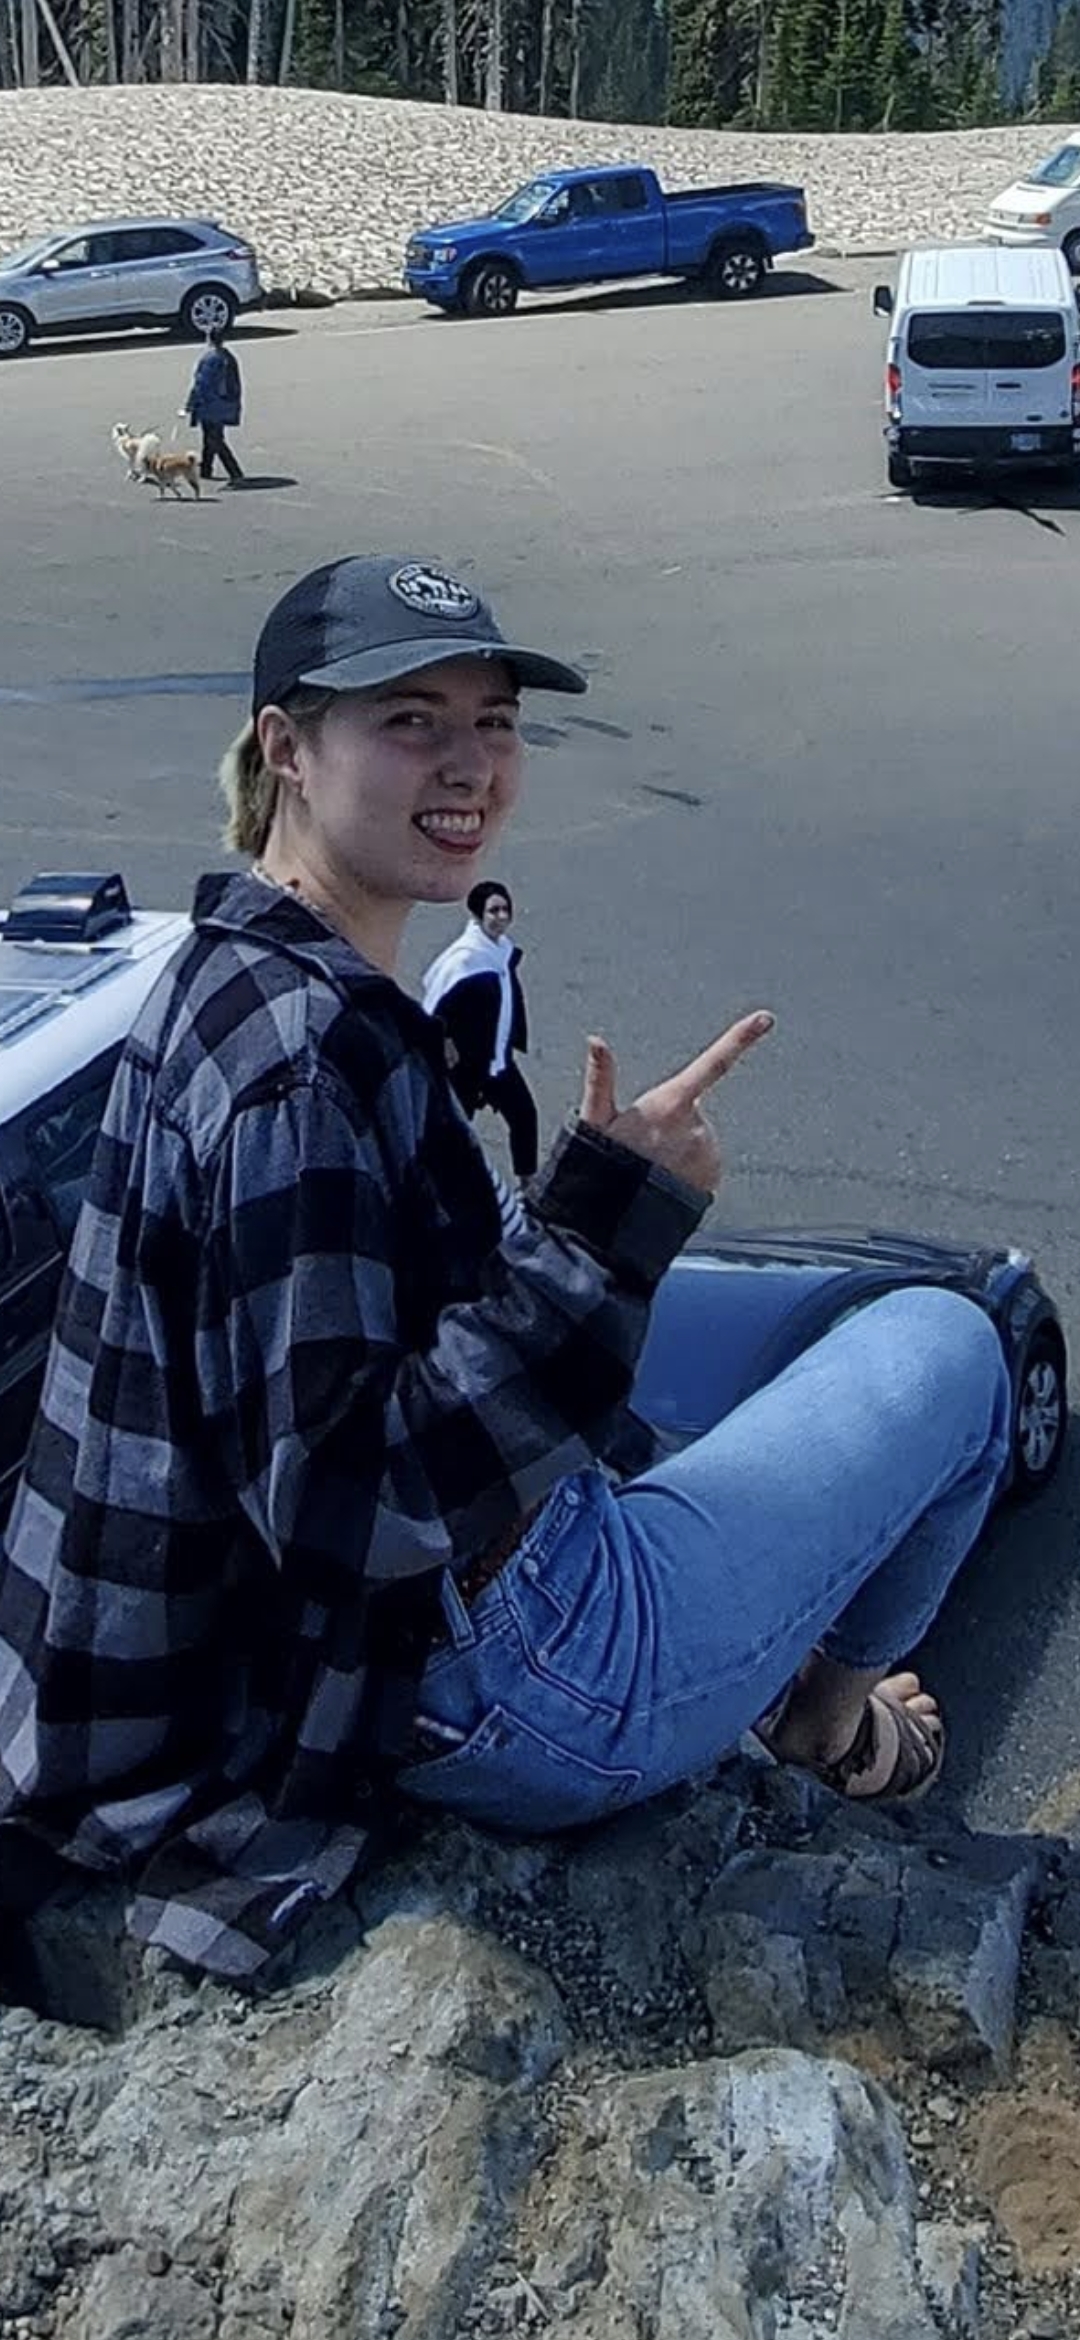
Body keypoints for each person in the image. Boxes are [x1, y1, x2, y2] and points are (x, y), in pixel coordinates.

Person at [0, 555, 1011, 1983]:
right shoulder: (305, 1069)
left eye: (494, 721)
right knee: (951, 1347)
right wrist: (602, 1234)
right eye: (409, 721)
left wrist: (588, 1212)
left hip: (271, 1665)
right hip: (485, 1678)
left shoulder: (223, 973)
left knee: (739, 1401)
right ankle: (830, 1720)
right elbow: (346, 1503)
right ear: (286, 748)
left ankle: (772, 1654)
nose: (468, 764)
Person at [421, 880, 539, 1179]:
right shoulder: (465, 959)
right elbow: (433, 1007)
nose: (501, 917)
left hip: (498, 1060)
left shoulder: (502, 953)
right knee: (453, 1131)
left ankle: (527, 1185)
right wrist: (444, 1042)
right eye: (493, 911)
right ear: (477, 914)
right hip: (465, 1065)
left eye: (505, 910)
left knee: (524, 1116)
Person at [185, 324, 244, 485]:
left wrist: (191, 404)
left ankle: (234, 471)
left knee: (214, 439)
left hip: (210, 405)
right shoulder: (229, 357)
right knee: (211, 436)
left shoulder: (209, 359)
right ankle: (206, 468)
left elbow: (201, 384)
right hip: (226, 403)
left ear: (208, 338)